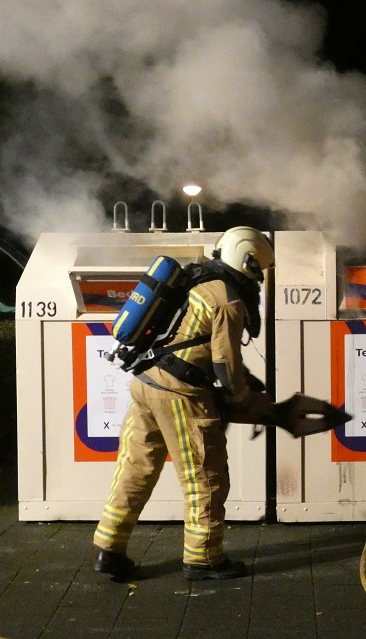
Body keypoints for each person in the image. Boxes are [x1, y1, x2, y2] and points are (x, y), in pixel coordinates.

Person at [92, 226, 276, 581]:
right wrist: (243, 399)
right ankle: (204, 558)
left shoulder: (195, 278)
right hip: (180, 395)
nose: (259, 278)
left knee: (136, 467)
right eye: (259, 269)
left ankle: (108, 548)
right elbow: (225, 363)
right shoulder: (228, 298)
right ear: (249, 260)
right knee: (205, 477)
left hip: (146, 382)